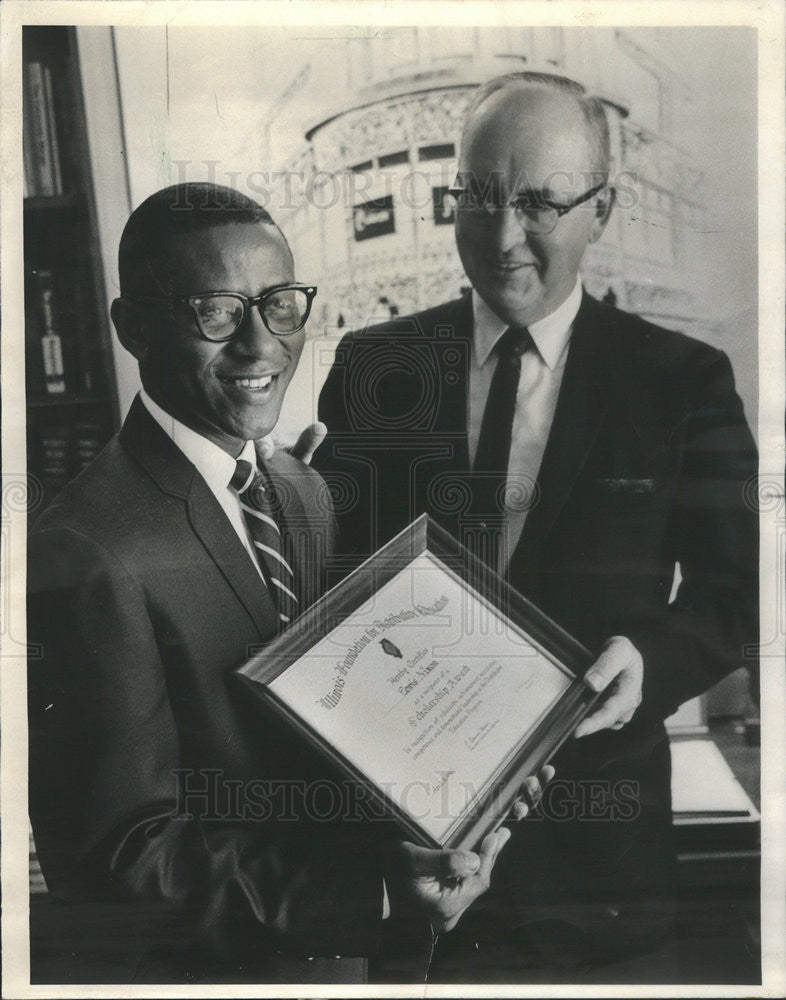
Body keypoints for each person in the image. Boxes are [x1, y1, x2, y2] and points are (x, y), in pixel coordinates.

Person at [27, 183, 549, 985]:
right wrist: (369, 894)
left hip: (352, 966)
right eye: (216, 310)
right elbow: (116, 861)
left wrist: (471, 780)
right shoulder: (84, 549)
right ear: (132, 327)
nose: (261, 345)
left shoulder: (299, 490)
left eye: (279, 304)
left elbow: (325, 732)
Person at [314, 73, 759, 977]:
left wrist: (649, 656)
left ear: (604, 208)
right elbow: (329, 591)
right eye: (477, 197)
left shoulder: (682, 382)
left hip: (596, 872)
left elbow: (742, 596)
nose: (503, 235)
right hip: (407, 862)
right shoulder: (373, 365)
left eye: (540, 203)